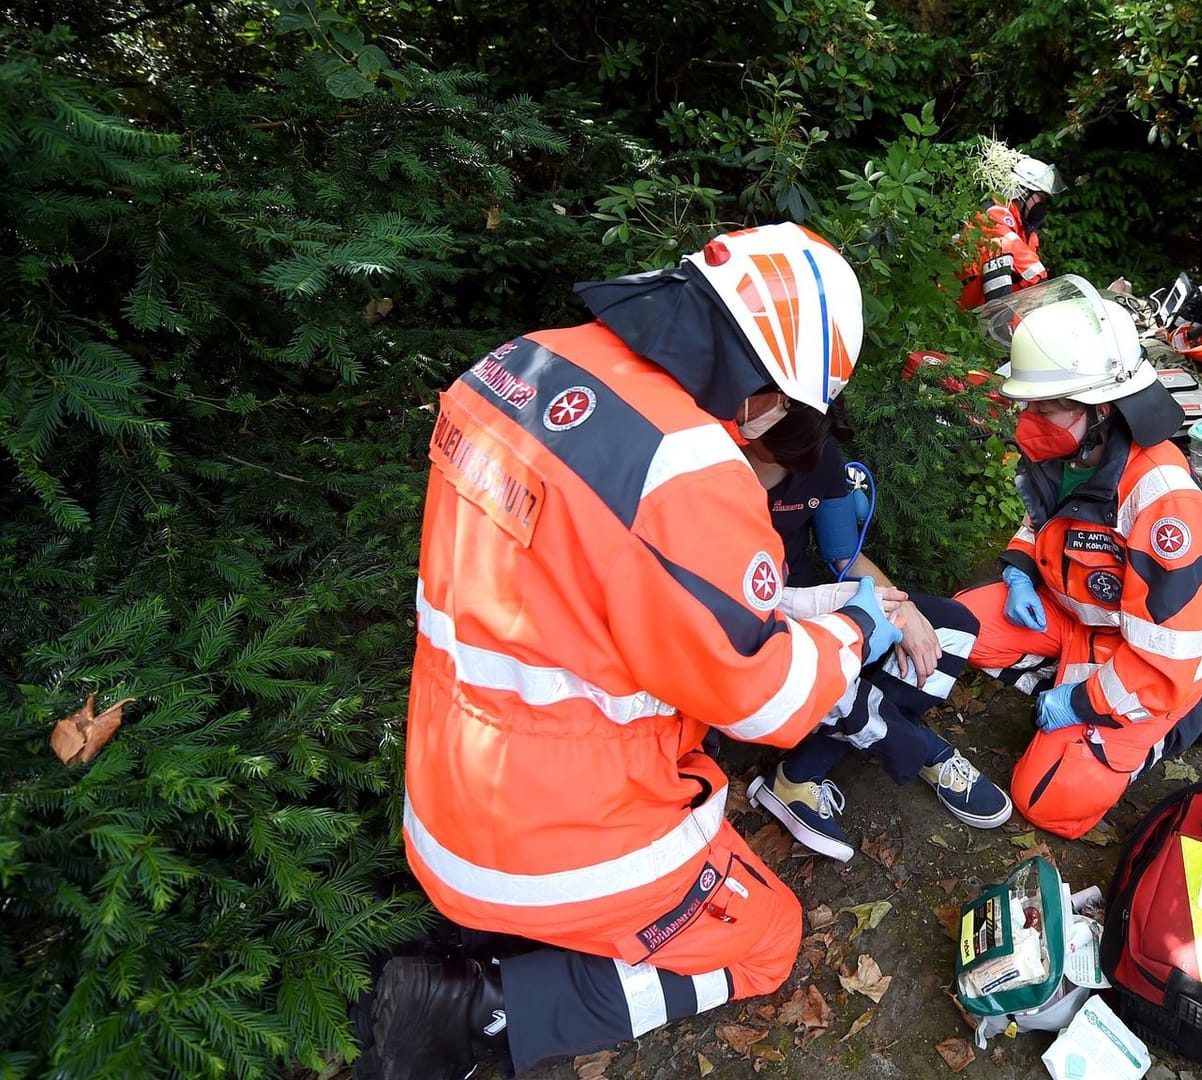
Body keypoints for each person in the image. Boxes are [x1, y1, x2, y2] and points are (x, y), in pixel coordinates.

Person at [361, 223, 908, 1080]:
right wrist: (859, 626)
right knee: (770, 939)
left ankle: (479, 937)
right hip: (573, 838)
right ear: (769, 384)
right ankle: (486, 1013)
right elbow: (763, 701)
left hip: (447, 799)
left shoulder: (516, 367)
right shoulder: (688, 465)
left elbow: (591, 586)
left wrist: (783, 602)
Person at [955, 279, 1202, 840]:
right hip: (1077, 620)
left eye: (1047, 407)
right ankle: (1070, 694)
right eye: (1029, 405)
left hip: (1146, 663)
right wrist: (1021, 569)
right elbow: (1041, 523)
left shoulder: (1162, 498)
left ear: (1103, 406)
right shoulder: (1067, 451)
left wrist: (1081, 700)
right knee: (957, 625)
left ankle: (1183, 722)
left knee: (1047, 803)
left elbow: (1167, 654)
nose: (1030, 421)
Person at [742, 400, 1011, 861]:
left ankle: (800, 774)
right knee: (841, 682)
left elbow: (844, 556)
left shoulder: (820, 453)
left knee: (952, 629)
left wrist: (902, 612)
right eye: (787, 459)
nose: (803, 467)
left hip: (813, 596)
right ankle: (923, 750)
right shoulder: (714, 469)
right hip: (750, 620)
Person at [956, 154, 1064, 309]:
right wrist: (1043, 284)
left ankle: (1006, 325)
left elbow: (1027, 281)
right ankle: (994, 323)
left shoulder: (1026, 233)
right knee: (1001, 250)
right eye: (1041, 198)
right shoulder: (992, 214)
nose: (1043, 205)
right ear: (1022, 191)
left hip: (991, 308)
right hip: (960, 303)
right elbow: (1011, 249)